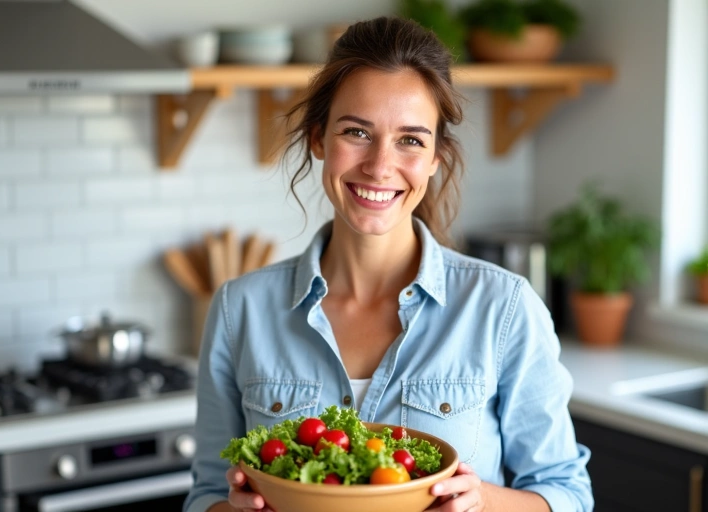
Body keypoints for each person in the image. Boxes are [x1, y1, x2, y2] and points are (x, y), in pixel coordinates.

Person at [183, 16, 593, 512]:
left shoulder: (504, 308)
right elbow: (207, 495)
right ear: (319, 138)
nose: (379, 166)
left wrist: (481, 500)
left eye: (411, 140)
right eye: (357, 132)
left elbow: (568, 495)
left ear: (436, 156)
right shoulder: (239, 309)